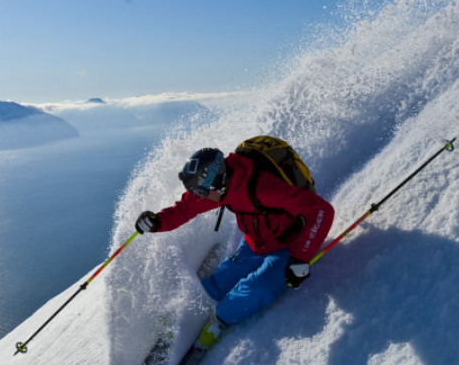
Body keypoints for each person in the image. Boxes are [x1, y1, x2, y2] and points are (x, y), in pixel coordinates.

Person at [135, 146, 334, 346]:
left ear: (217, 182)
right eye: (197, 191)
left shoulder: (263, 188)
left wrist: (300, 257)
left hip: (288, 244)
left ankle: (220, 319)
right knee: (218, 283)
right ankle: (187, 319)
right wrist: (157, 222)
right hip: (255, 241)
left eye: (202, 191)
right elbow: (185, 208)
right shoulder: (221, 186)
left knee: (259, 288)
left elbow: (321, 210)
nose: (200, 196)